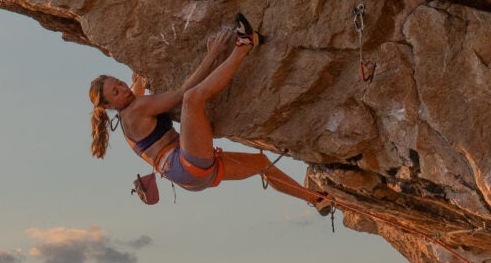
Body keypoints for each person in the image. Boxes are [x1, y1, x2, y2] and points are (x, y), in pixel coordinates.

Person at [89, 14, 331, 210]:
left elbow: (136, 87)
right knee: (192, 100)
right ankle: (244, 45)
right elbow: (183, 93)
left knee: (260, 163)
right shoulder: (136, 110)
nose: (122, 88)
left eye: (119, 83)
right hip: (186, 164)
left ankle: (316, 200)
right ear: (109, 106)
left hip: (190, 176)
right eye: (115, 92)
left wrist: (136, 79)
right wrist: (212, 55)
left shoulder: (128, 113)